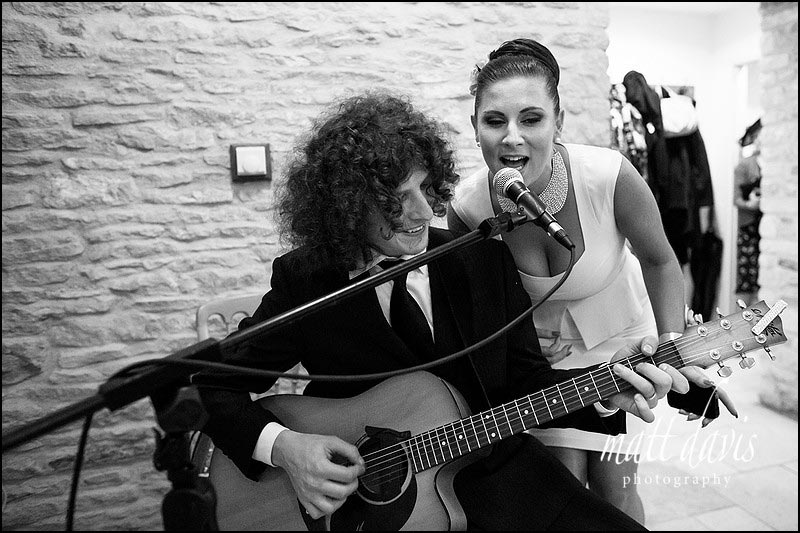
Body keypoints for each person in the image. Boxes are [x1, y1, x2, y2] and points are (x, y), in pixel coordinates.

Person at [196, 91, 692, 530]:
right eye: (395, 199)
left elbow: (525, 381)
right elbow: (213, 385)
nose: (422, 213)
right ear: (345, 207)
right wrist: (284, 447)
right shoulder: (308, 281)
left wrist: (604, 388)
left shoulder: (481, 259)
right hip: (378, 510)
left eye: (424, 188)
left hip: (503, 479)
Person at [447, 38, 734, 523]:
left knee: (613, 494)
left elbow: (661, 262)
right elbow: (478, 308)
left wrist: (672, 346)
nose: (512, 137)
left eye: (531, 119)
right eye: (494, 121)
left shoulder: (607, 175)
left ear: (558, 122)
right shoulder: (468, 207)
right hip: (541, 370)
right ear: (475, 129)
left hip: (622, 352)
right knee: (558, 496)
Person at [733, 118, 763, 306]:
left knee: (763, 283)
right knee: (746, 283)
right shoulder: (744, 165)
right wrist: (752, 204)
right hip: (748, 230)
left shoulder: (774, 166)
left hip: (764, 229)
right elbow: (736, 199)